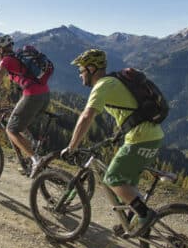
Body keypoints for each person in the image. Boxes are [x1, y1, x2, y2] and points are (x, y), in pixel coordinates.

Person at [61, 49, 164, 237]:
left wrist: (72, 146)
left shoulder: (102, 85)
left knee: (112, 178)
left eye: (81, 70)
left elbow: (86, 117)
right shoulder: (113, 81)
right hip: (153, 136)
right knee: (126, 185)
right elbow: (128, 111)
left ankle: (145, 215)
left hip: (140, 138)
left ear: (92, 68)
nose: (80, 74)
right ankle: (130, 222)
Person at [0, 34, 51, 178]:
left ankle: (35, 159)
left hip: (33, 96)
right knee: (19, 122)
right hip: (45, 95)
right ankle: (28, 160)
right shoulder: (19, 58)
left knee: (11, 129)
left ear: (0, 50)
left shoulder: (6, 61)